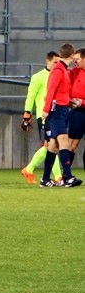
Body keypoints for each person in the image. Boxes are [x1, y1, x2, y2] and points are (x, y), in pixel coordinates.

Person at [39, 44, 81, 188]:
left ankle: (45, 179)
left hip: (62, 109)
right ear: (71, 54)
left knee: (54, 146)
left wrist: (69, 102)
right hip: (56, 110)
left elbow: (60, 92)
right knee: (64, 141)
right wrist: (45, 109)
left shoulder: (63, 69)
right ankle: (68, 177)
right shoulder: (58, 70)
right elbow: (51, 90)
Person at [20, 52, 62, 184]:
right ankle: (58, 176)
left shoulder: (60, 74)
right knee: (51, 145)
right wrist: (27, 114)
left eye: (58, 62)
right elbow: (30, 96)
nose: (57, 65)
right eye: (55, 62)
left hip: (57, 114)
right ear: (47, 61)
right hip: (44, 115)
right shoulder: (38, 77)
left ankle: (29, 169)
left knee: (50, 145)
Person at [65, 48, 85, 170]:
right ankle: (65, 175)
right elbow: (64, 89)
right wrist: (69, 101)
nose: (74, 62)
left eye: (77, 59)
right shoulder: (72, 72)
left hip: (80, 107)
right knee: (72, 144)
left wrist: (81, 102)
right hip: (77, 113)